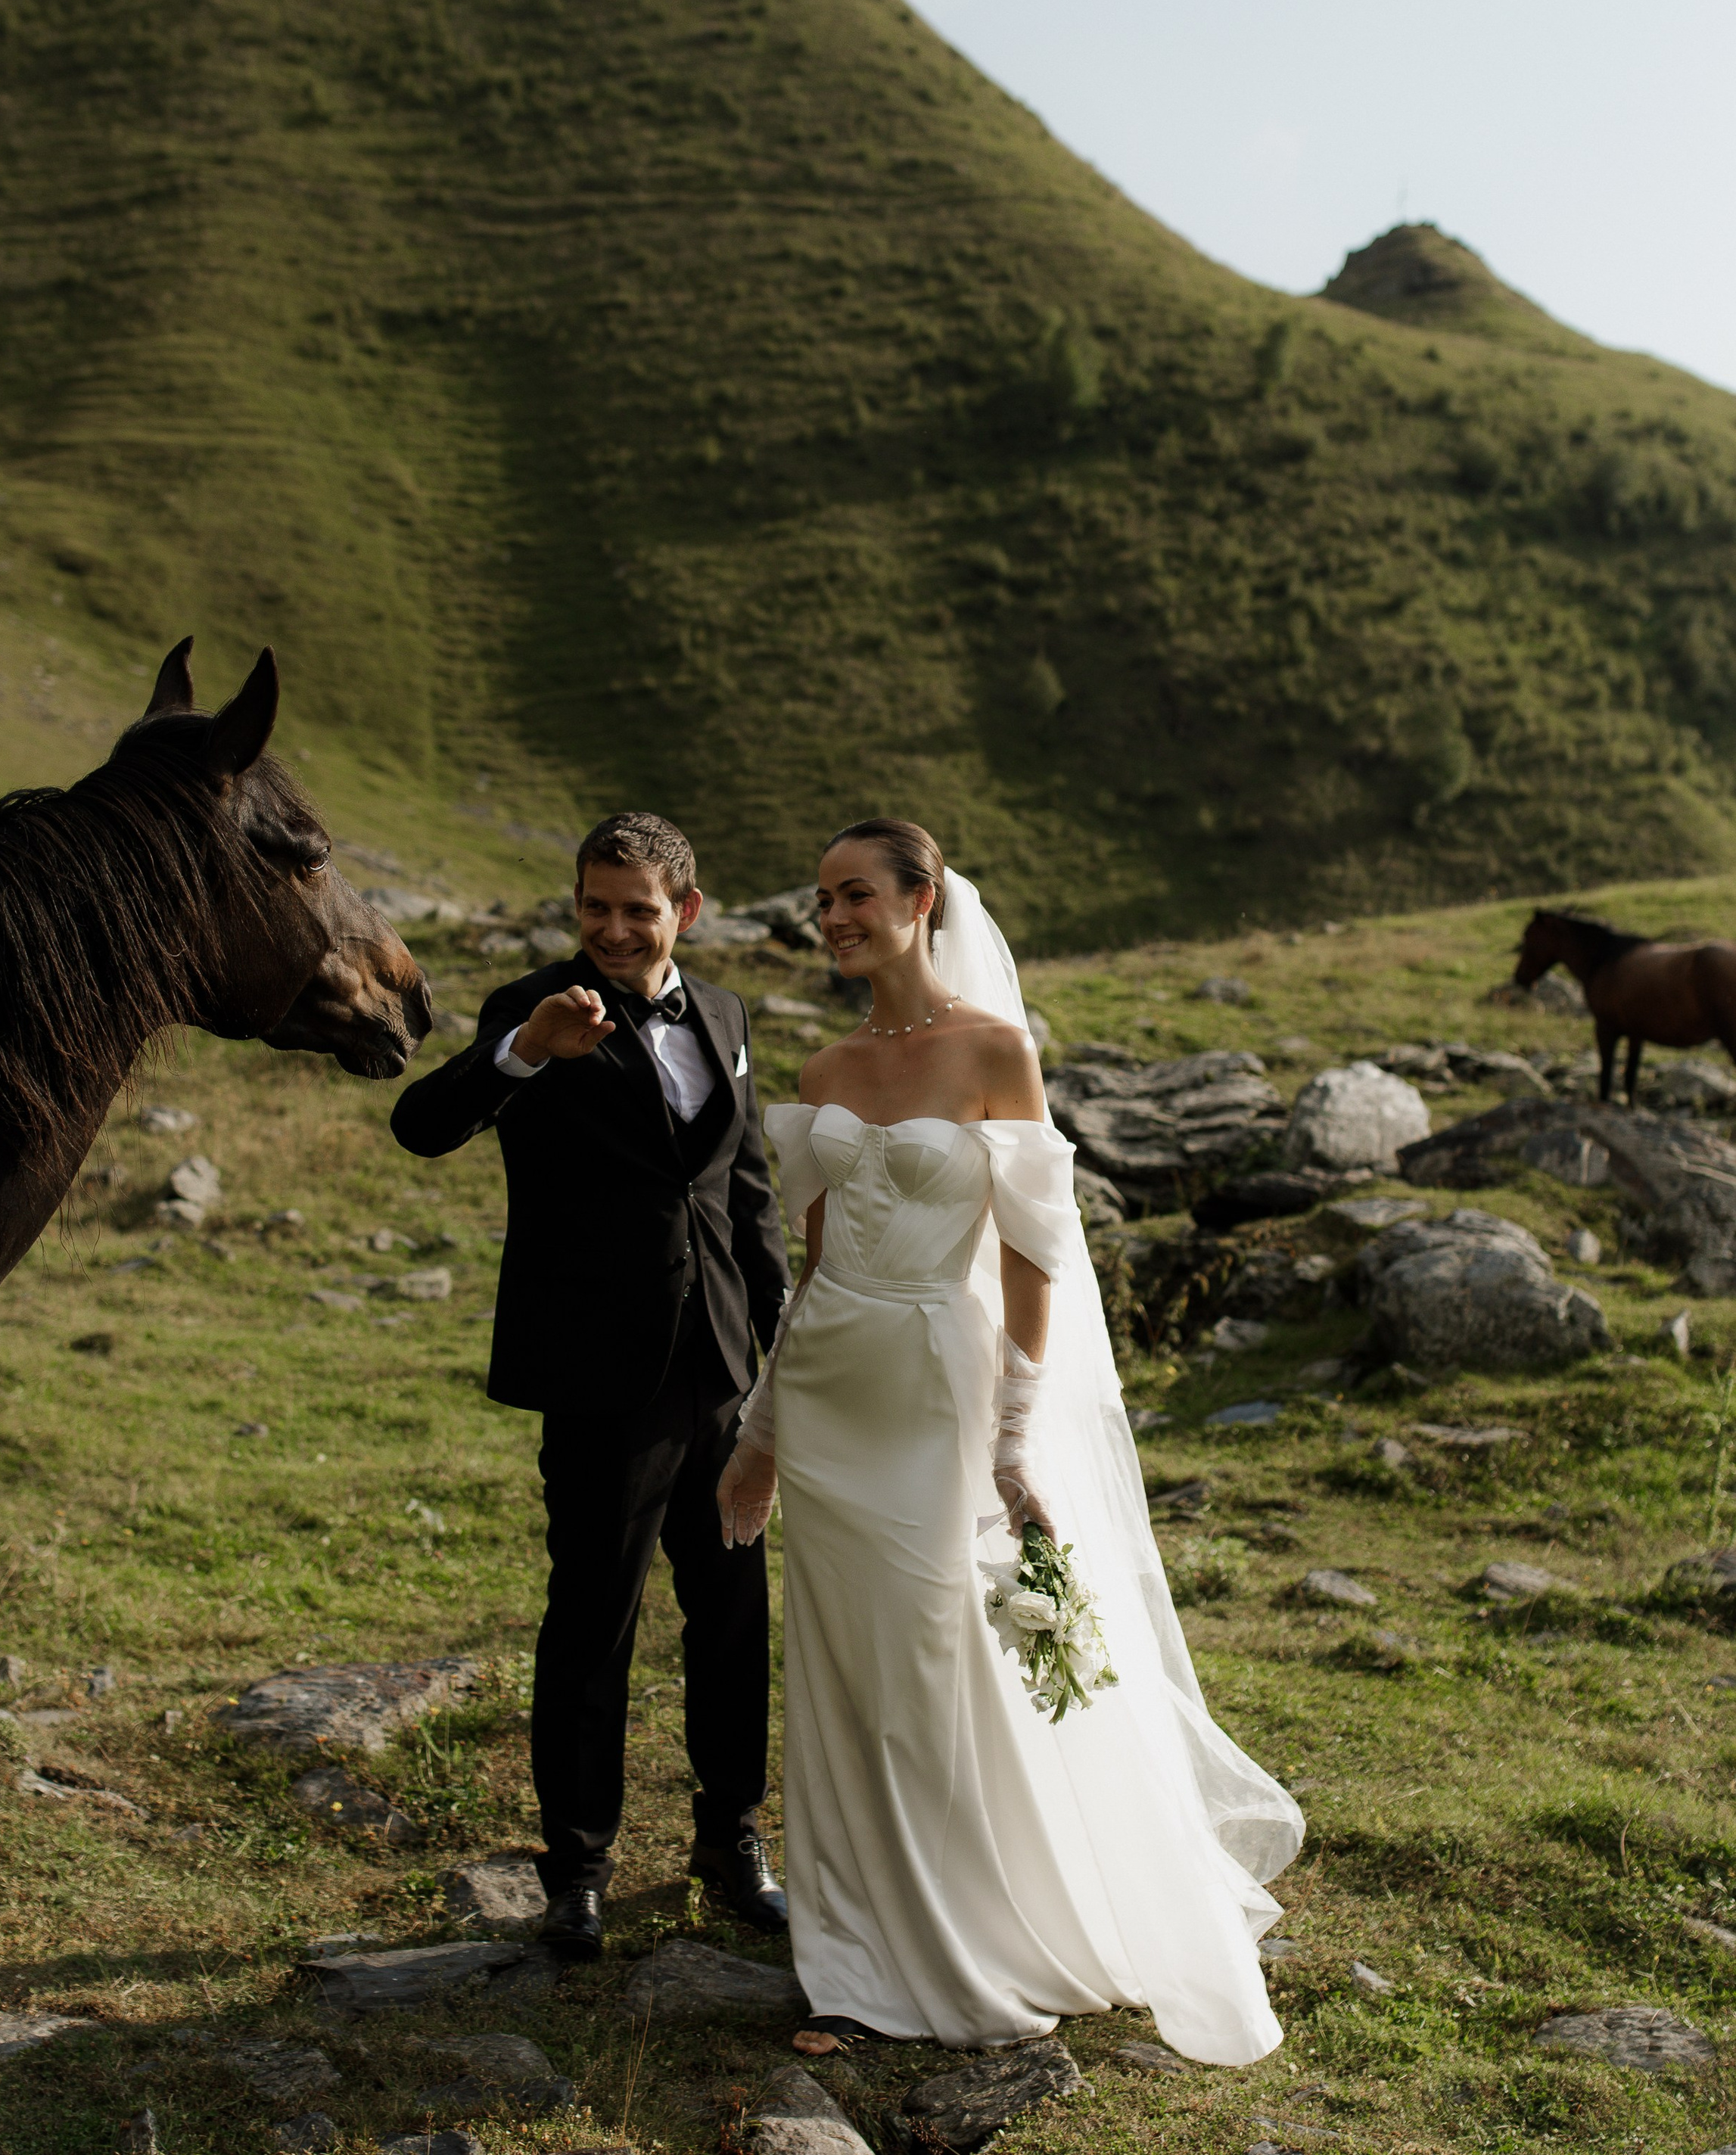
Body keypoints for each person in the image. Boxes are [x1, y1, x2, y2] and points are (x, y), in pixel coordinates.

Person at [717, 819, 1302, 2063]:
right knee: (838, 1668)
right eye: (823, 899)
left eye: (858, 894)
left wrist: (1018, 1438)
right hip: (832, 1387)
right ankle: (851, 1948)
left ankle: (968, 1930)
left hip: (939, 1383)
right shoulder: (819, 1069)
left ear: (924, 900)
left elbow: (1038, 1253)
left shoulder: (995, 1051)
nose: (834, 918)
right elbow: (811, 1272)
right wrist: (762, 1431)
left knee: (932, 1655)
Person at [390, 811, 792, 1962]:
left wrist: (778, 1347)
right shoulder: (530, 1008)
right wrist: (523, 1051)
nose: (612, 930)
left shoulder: (722, 1014)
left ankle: (731, 1836)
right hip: (599, 1375)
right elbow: (423, 1125)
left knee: (728, 1617)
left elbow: (745, 1190)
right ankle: (576, 1870)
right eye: (593, 907)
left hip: (720, 1373)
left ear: (687, 913)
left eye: (638, 911)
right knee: (592, 1622)